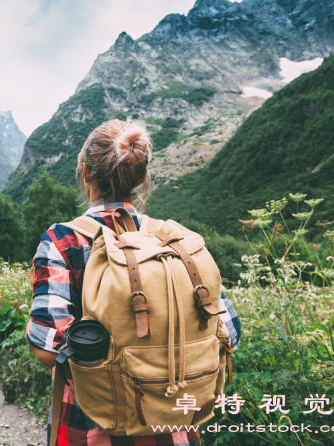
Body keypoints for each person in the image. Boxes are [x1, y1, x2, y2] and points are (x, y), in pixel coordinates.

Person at [25, 119, 241, 446]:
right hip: (172, 428)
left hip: (91, 427)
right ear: (141, 179)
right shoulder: (173, 241)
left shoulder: (64, 241)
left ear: (85, 172)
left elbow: (44, 347)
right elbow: (230, 333)